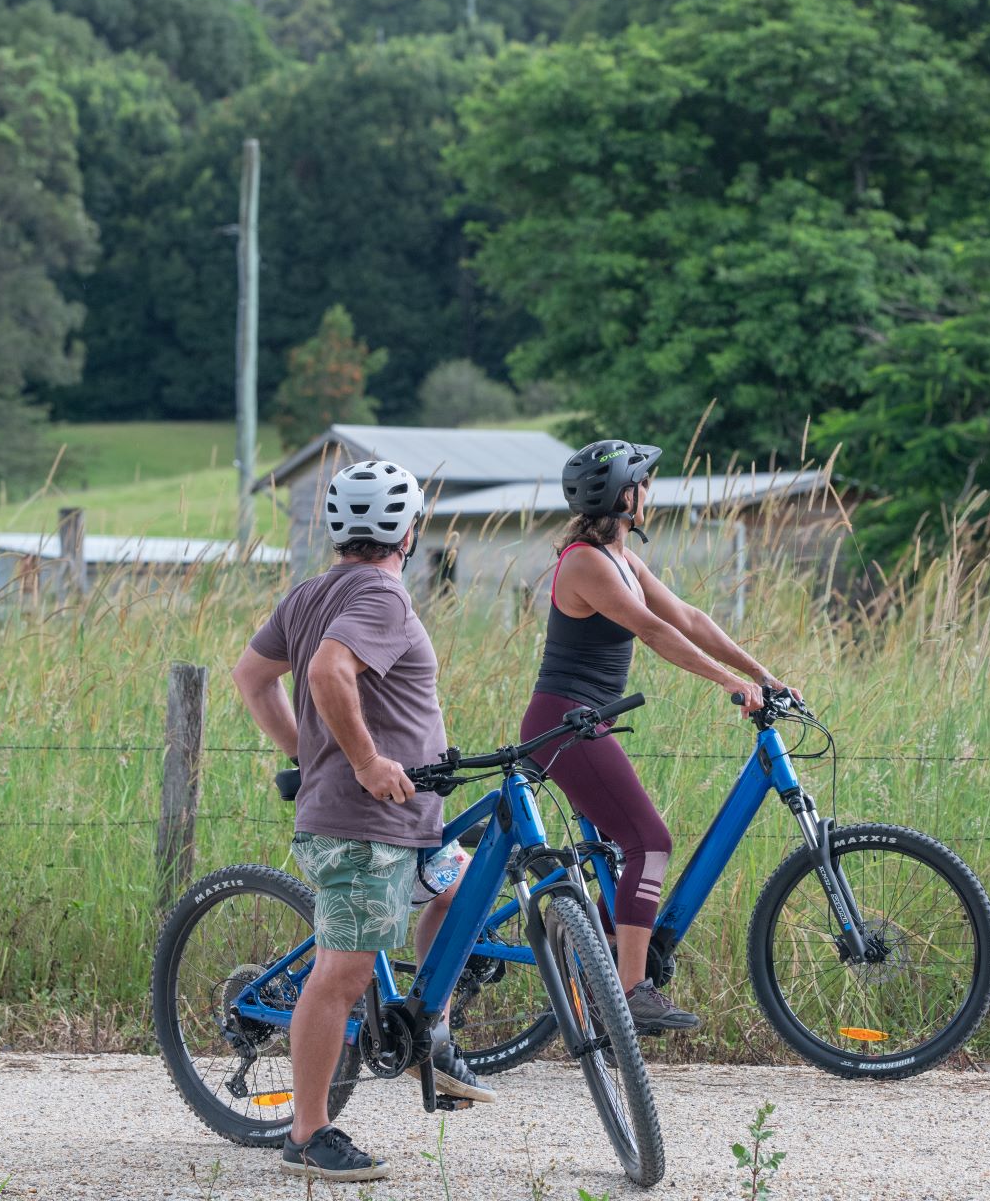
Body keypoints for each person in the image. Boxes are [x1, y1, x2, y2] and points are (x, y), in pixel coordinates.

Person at [231, 459, 493, 1184]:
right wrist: (366, 762)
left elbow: (251, 678)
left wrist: (307, 751)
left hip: (404, 823)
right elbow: (325, 673)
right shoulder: (381, 595)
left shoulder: (313, 592)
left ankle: (429, 1041)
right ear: (410, 531)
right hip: (361, 824)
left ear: (336, 528)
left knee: (457, 890)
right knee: (342, 973)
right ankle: (308, 1133)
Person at [520, 439, 796, 1031]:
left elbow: (688, 618)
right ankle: (629, 988)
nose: (650, 494)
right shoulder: (585, 561)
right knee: (650, 840)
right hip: (564, 724)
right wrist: (727, 682)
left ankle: (590, 960)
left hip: (583, 722)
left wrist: (760, 674)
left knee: (623, 853)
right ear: (626, 495)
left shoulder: (622, 559)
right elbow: (648, 628)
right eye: (644, 484)